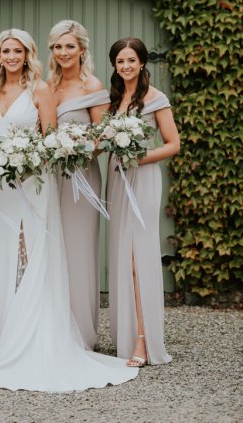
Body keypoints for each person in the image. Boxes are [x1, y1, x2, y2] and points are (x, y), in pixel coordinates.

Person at [0, 29, 138, 392]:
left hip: (34, 179)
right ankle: (6, 331)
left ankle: (37, 329)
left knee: (33, 249)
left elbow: (50, 137)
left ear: (28, 54)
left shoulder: (39, 89)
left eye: (17, 51)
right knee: (8, 251)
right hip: (1, 181)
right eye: (5, 50)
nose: (11, 56)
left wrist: (28, 158)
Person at [106, 37, 180, 367]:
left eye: (131, 61)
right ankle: (127, 334)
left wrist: (141, 157)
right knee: (123, 256)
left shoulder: (155, 98)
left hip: (143, 178)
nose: (125, 66)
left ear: (142, 63)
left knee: (139, 258)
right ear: (115, 65)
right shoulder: (113, 99)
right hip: (118, 181)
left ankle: (144, 341)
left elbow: (173, 144)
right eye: (120, 61)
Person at [47, 20, 109, 350]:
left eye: (70, 46)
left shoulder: (92, 85)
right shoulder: (48, 86)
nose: (64, 52)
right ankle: (56, 329)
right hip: (52, 176)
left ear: (82, 49)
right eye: (58, 46)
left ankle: (83, 334)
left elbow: (102, 136)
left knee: (80, 251)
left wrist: (77, 148)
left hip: (83, 175)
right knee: (54, 249)